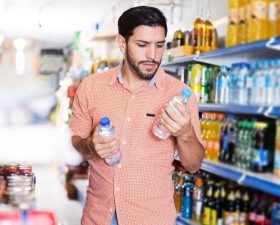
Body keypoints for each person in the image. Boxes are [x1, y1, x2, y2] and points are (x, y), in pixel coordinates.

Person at [69, 6, 204, 225]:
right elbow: (72, 146)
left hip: (152, 218)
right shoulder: (91, 87)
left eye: (159, 45)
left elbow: (193, 165)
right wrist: (91, 146)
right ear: (122, 43)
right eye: (142, 45)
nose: (152, 55)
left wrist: (186, 133)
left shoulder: (179, 94)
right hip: (99, 216)